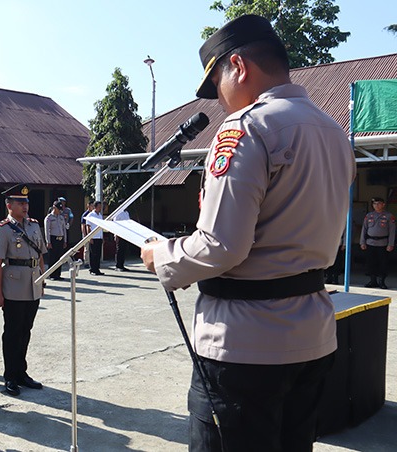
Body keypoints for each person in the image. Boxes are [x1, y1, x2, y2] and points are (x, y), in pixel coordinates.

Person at [140, 15, 355, 452]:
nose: (219, 100)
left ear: (238, 65)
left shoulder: (245, 128)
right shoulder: (334, 132)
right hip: (311, 336)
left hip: (244, 349)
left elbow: (222, 245)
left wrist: (162, 255)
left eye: (216, 82)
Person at [0, 184, 46, 396]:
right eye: (20, 202)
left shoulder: (34, 225)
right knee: (12, 333)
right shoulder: (2, 228)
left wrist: (42, 278)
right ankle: (10, 376)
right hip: (13, 286)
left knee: (25, 331)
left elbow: (40, 254)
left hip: (32, 285)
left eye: (26, 202)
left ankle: (22, 372)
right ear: (9, 205)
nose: (25, 206)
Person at [360, 197, 395, 288]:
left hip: (383, 243)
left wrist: (391, 244)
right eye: (374, 204)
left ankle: (382, 282)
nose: (376, 205)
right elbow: (364, 229)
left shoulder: (388, 216)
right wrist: (362, 242)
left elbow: (392, 231)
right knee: (371, 263)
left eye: (379, 203)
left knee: (383, 263)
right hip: (370, 243)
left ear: (383, 204)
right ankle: (373, 281)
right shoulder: (369, 216)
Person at [44, 200, 67, 280]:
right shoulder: (49, 218)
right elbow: (47, 231)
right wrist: (48, 242)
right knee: (52, 258)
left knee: (59, 257)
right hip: (53, 239)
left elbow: (64, 229)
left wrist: (65, 240)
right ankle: (52, 275)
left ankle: (58, 274)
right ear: (54, 208)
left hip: (60, 239)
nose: (59, 211)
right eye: (58, 209)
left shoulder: (61, 217)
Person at [85, 201, 104, 275]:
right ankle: (92, 269)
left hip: (99, 237)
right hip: (94, 237)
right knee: (93, 254)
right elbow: (88, 226)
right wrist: (90, 237)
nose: (100, 208)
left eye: (100, 207)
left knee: (98, 254)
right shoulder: (90, 215)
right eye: (99, 207)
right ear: (95, 207)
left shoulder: (100, 215)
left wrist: (102, 237)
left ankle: (97, 269)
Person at [113, 206, 130, 272]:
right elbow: (115, 224)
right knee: (119, 250)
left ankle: (122, 265)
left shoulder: (126, 213)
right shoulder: (118, 213)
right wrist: (116, 235)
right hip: (119, 234)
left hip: (125, 234)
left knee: (123, 250)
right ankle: (118, 265)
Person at [80, 201, 94, 268]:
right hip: (86, 234)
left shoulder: (93, 214)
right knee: (87, 249)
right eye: (91, 206)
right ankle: (86, 262)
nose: (93, 207)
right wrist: (85, 235)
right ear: (88, 206)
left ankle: (92, 261)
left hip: (93, 234)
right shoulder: (85, 214)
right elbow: (83, 225)